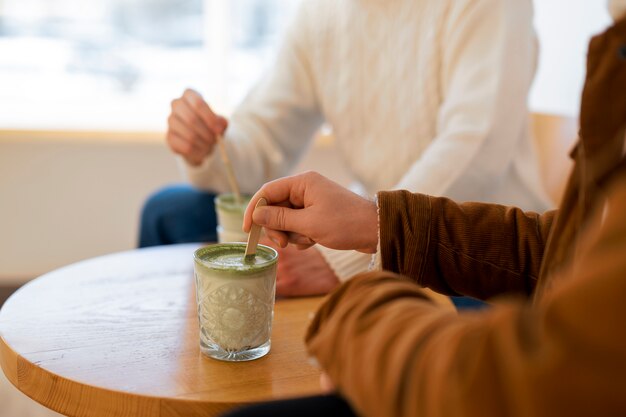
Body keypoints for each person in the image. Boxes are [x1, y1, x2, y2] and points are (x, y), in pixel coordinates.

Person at [220, 5, 626, 416]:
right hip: (454, 241)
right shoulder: (322, 15)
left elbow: (552, 371)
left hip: (488, 268)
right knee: (176, 207)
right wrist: (379, 224)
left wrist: (358, 299)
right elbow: (562, 252)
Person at [138, 0, 551, 301]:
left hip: (483, 255)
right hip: (366, 230)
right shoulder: (322, 14)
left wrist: (348, 259)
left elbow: (473, 151)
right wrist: (208, 148)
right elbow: (263, 142)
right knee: (168, 212)